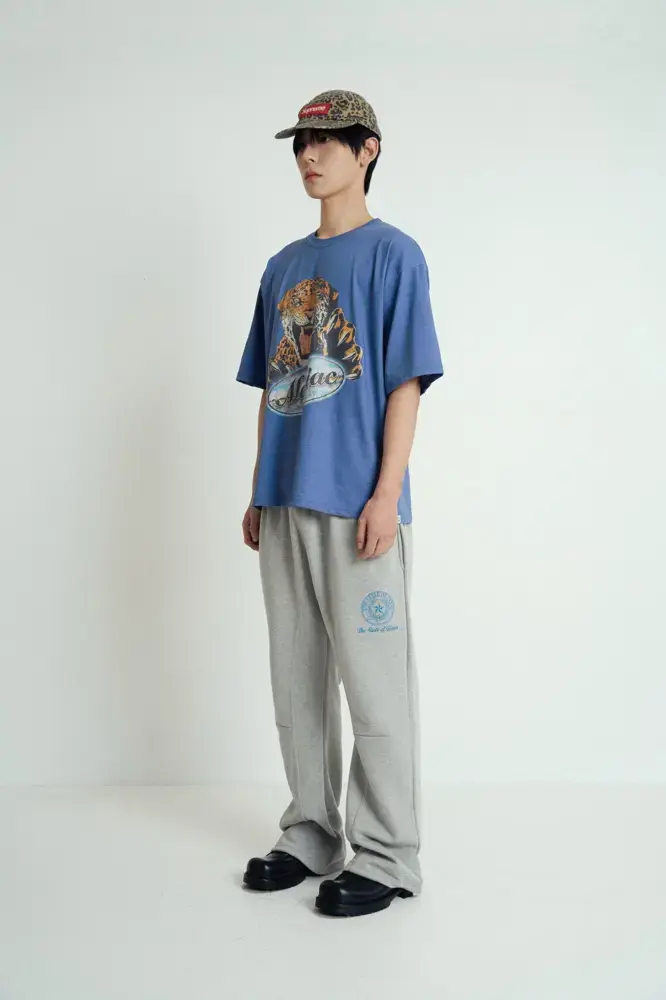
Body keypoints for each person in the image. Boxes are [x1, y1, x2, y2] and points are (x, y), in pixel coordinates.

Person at [235, 89, 444, 918]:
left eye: (327, 141)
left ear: (368, 151)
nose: (309, 156)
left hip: (359, 505)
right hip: (286, 501)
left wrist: (386, 492)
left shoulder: (396, 255)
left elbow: (404, 383)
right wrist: (259, 489)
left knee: (376, 686)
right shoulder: (282, 266)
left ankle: (389, 855)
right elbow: (272, 387)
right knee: (296, 681)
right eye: (301, 144)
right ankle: (311, 833)